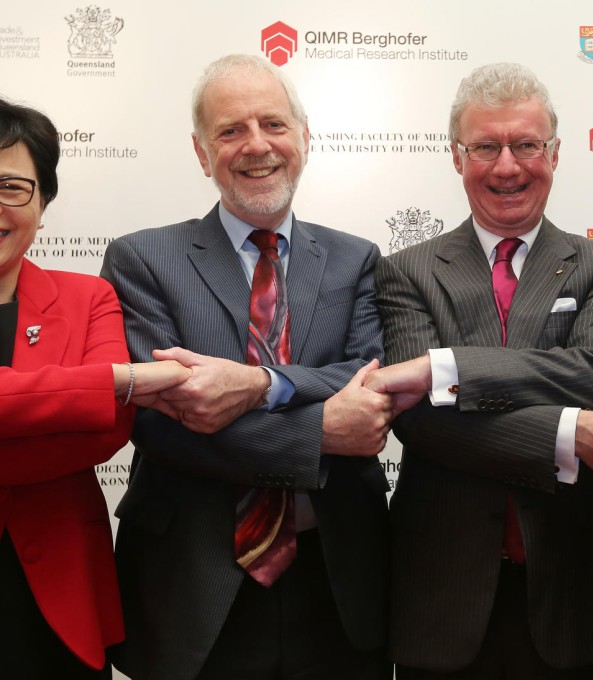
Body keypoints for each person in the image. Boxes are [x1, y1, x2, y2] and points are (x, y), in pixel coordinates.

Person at [364, 62, 593, 679]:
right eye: (486, 147)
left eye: (526, 144)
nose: (508, 166)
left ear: (555, 153)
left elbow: (592, 375)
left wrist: (446, 369)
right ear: (456, 156)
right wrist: (570, 434)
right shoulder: (405, 272)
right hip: (441, 596)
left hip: (574, 588)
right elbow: (422, 423)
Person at [100, 54, 393, 680]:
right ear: (202, 152)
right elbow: (162, 421)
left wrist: (260, 383)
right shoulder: (143, 258)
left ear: (305, 137)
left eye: (274, 124)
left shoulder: (355, 258)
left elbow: (366, 379)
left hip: (335, 574)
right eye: (231, 130)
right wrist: (316, 430)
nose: (256, 145)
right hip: (191, 580)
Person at [0, 99, 189, 678]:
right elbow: (104, 400)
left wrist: (97, 397)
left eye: (12, 186)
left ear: (44, 200)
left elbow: (104, 429)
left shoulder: (88, 299)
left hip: (54, 599)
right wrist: (115, 379)